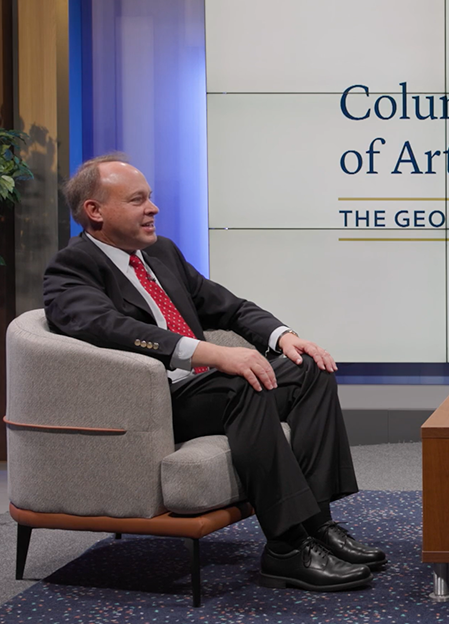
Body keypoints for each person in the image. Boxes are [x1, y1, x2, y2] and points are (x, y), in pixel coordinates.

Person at [43, 153, 387, 592]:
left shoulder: (160, 252)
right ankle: (285, 548)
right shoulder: (72, 268)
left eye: (150, 198)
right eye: (137, 200)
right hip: (154, 400)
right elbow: (107, 327)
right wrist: (209, 353)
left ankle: (316, 526)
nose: (154, 208)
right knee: (242, 383)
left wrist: (283, 337)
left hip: (204, 388)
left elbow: (230, 306)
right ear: (95, 211)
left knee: (309, 371)